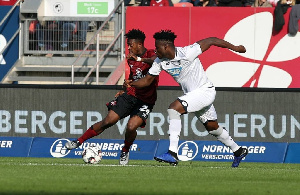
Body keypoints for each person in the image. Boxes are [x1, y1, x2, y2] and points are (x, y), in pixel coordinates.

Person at [126, 30, 248, 167]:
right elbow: (147, 81)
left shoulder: (188, 52)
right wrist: (131, 84)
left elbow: (212, 40)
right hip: (193, 96)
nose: (155, 50)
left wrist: (236, 48)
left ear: (166, 46)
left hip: (204, 91)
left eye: (157, 47)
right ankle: (238, 150)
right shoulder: (160, 62)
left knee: (173, 109)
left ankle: (172, 153)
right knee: (213, 128)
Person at [65, 29, 158, 165]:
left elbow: (155, 62)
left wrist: (139, 59)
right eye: (128, 45)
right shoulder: (130, 58)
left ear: (139, 44)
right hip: (131, 95)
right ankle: (78, 141)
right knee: (108, 121)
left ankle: (125, 150)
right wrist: (124, 89)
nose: (129, 48)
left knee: (132, 126)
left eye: (131, 45)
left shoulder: (151, 54)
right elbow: (133, 77)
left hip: (146, 100)